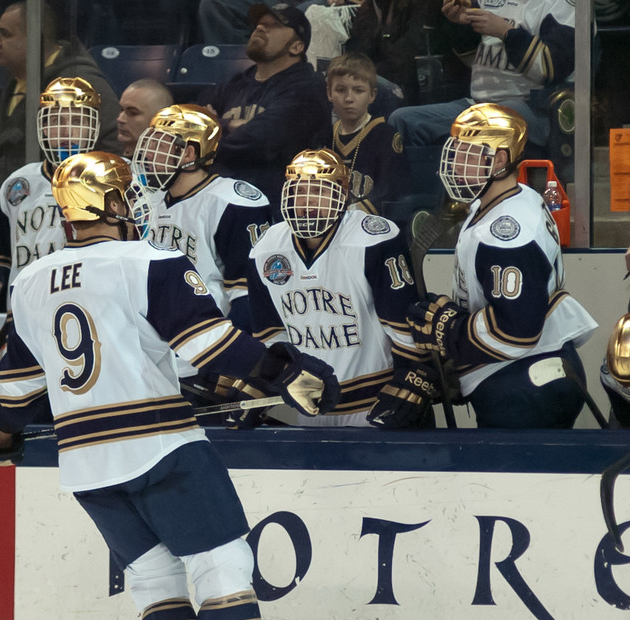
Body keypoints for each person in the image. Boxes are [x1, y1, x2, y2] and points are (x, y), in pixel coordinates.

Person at [0, 150, 337, 620]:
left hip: (85, 461)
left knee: (152, 581)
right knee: (222, 564)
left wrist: (0, 436)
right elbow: (212, 344)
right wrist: (286, 372)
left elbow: (11, 392)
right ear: (115, 203)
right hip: (161, 443)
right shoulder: (152, 261)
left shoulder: (28, 282)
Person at [406, 103, 597, 428]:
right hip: (537, 369)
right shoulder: (518, 196)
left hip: (522, 385)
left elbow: (516, 331)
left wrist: (449, 329)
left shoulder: (506, 236)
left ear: (500, 160)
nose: (454, 160)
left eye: (467, 152)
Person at [248, 148, 435, 427]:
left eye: (319, 192)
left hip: (375, 402)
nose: (308, 203)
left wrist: (413, 379)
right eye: (299, 192)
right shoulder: (266, 249)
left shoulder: (373, 239)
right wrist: (264, 384)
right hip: (311, 405)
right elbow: (270, 333)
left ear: (342, 195)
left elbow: (402, 326)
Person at [131, 104, 273, 404]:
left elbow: (249, 295)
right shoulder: (143, 202)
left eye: (160, 146)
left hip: (203, 358)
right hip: (148, 359)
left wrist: (230, 360)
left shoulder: (231, 202)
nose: (148, 155)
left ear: (189, 154)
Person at [0, 75, 104, 314]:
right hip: (25, 319)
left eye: (77, 120)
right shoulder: (17, 184)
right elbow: (6, 263)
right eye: (55, 121)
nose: (66, 131)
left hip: (89, 316)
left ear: (93, 126)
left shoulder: (117, 181)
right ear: (43, 127)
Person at [0, 1, 121, 224]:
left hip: (71, 205)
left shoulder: (82, 84)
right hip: (17, 195)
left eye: (5, 34)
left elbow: (111, 154)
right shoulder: (20, 79)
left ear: (33, 39)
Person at [388, 0, 575, 157]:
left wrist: (506, 33)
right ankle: (421, 200)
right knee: (403, 121)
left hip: (532, 109)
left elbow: (550, 68)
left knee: (484, 123)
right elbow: (471, 58)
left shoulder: (562, 5)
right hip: (478, 104)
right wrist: (458, 23)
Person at [200, 3, 331, 207]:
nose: (260, 28)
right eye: (259, 24)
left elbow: (258, 141)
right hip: (219, 196)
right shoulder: (236, 83)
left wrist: (217, 127)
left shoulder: (307, 89)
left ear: (296, 47)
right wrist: (232, 125)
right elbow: (192, 119)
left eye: (273, 26)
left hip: (275, 204)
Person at [325, 53, 408, 221]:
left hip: (372, 227)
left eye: (358, 90)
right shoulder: (323, 137)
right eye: (341, 90)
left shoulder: (386, 136)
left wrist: (348, 213)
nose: (349, 98)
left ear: (372, 95)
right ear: (329, 93)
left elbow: (390, 191)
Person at [116, 78, 174, 157]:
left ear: (159, 120)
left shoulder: (161, 168)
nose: (120, 119)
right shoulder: (107, 156)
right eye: (121, 110)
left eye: (133, 113)